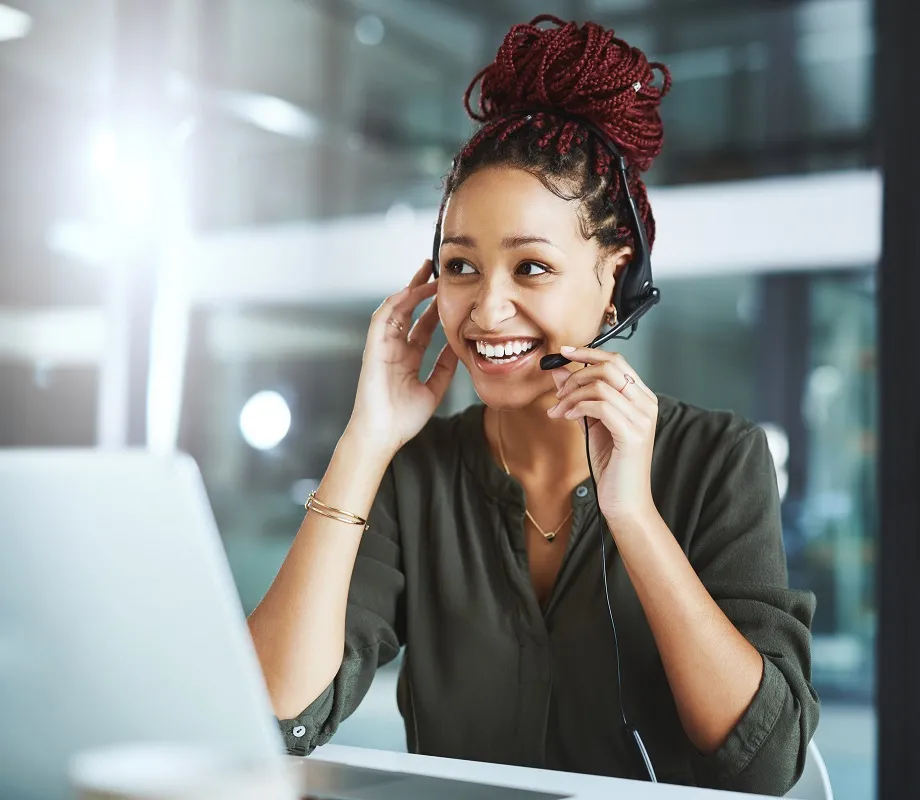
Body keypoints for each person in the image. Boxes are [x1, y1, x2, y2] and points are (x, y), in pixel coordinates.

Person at [247, 14, 819, 795]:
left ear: (614, 275)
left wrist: (635, 519)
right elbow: (273, 718)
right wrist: (364, 442)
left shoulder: (719, 458)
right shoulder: (416, 476)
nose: (487, 311)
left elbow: (765, 763)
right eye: (461, 266)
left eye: (533, 268)